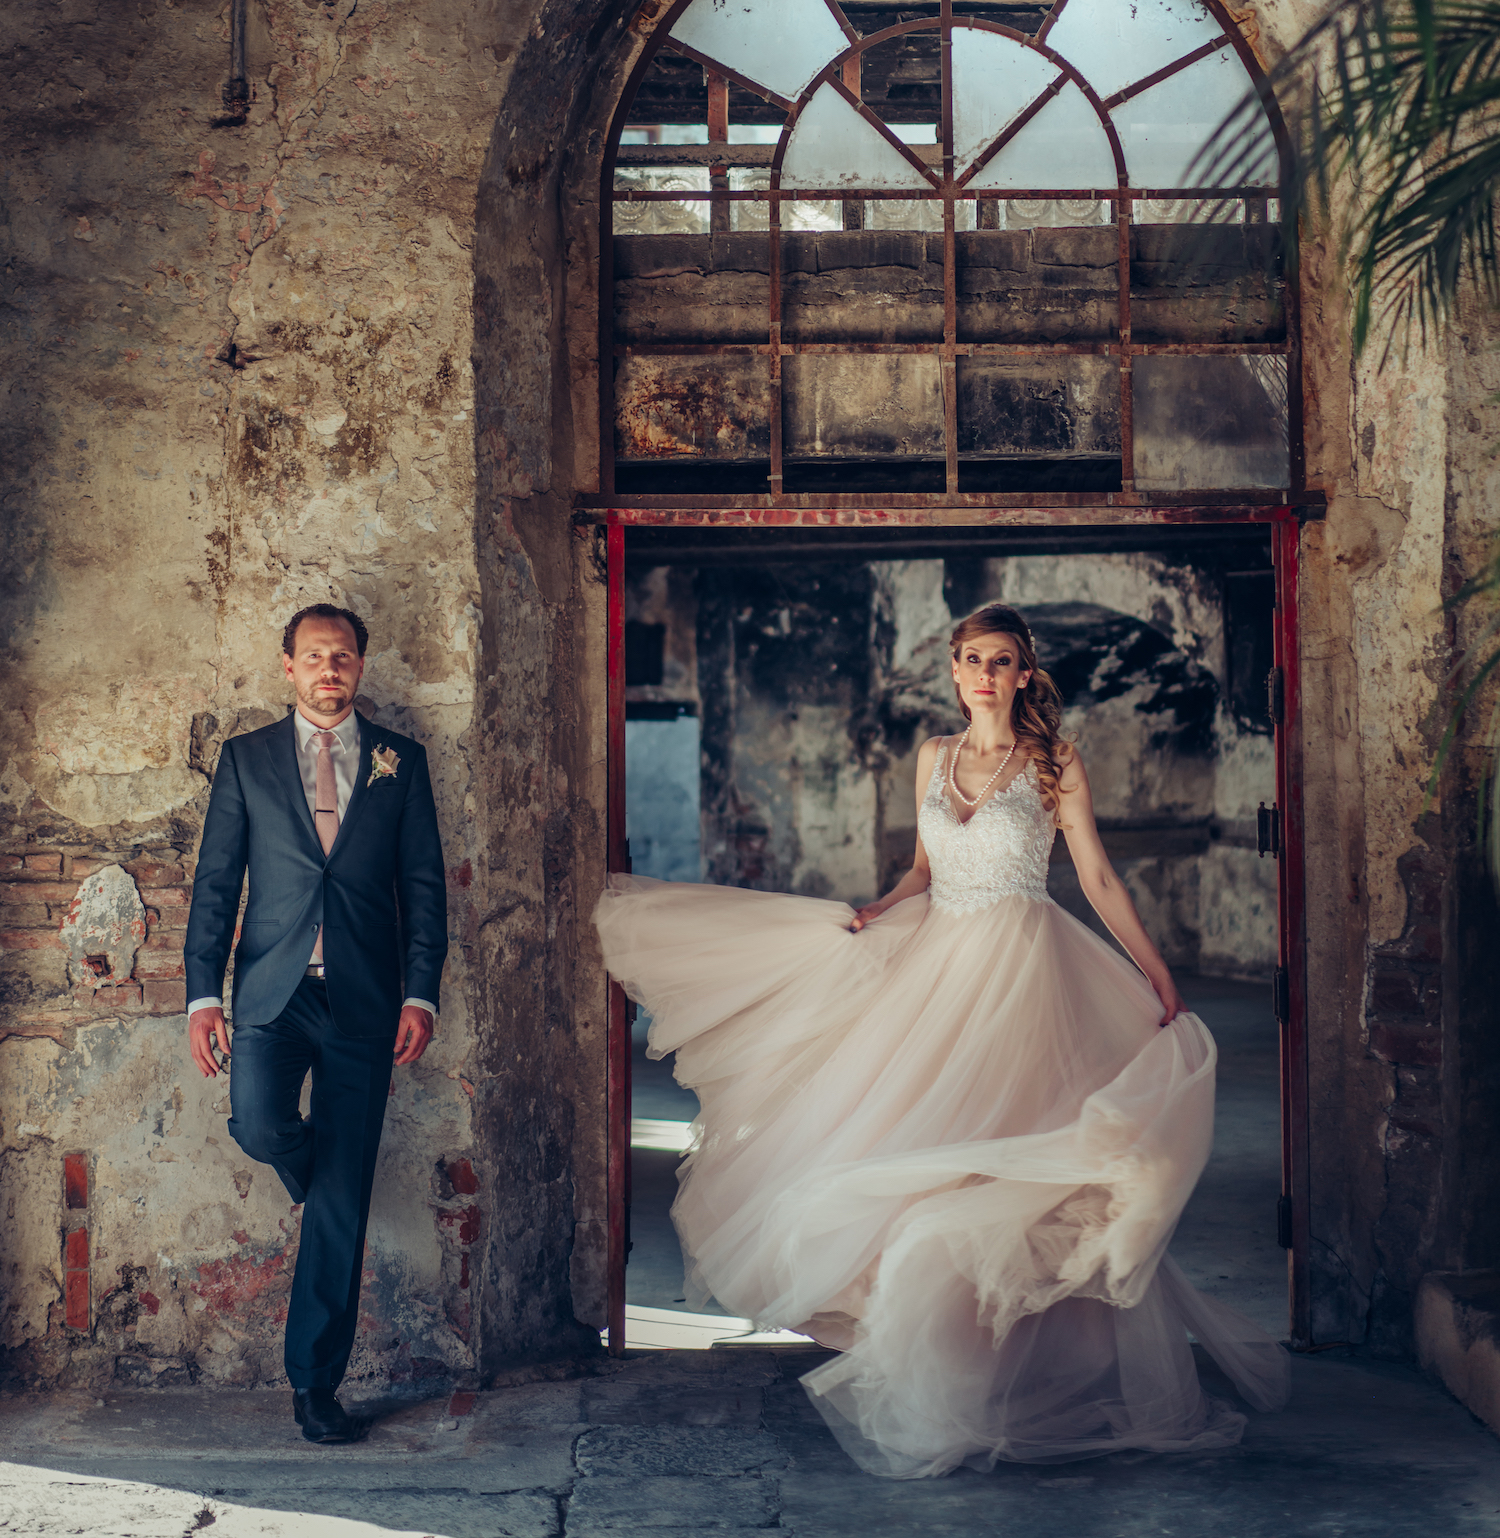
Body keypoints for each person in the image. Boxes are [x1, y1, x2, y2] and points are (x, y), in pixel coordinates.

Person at [595, 602, 1288, 1478]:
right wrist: (879, 911)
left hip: (1025, 967)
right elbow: (924, 869)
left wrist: (1154, 969)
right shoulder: (931, 755)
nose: (984, 674)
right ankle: (943, 1367)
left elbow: (1097, 875)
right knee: (916, 1145)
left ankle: (1038, 1371)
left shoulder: (1054, 761)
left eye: (1001, 660)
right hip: (938, 959)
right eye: (970, 659)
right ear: (954, 671)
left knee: (1009, 1162)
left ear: (1023, 673)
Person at [184, 605, 447, 1443]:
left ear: (361, 666)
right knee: (259, 1122)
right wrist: (202, 995)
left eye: (341, 654)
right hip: (272, 991)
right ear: (288, 667)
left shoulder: (401, 763)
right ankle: (309, 1171)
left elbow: (425, 888)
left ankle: (315, 1386)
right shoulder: (247, 759)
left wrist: (421, 991)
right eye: (312, 655)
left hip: (366, 998)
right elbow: (216, 882)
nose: (327, 667)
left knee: (343, 1200)